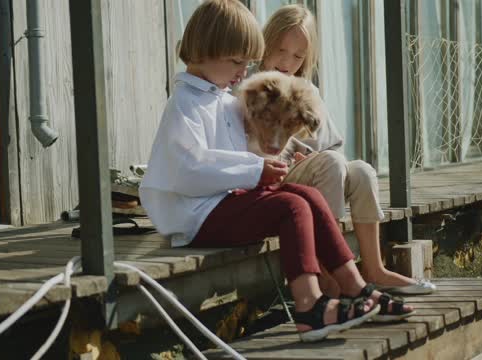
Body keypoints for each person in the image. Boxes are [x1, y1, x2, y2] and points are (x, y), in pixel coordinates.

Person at [139, 0, 413, 342]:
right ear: (206, 51)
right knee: (290, 207)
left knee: (307, 195)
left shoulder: (221, 98)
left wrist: (270, 161)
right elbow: (187, 169)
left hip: (224, 202)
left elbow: (241, 151)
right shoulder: (185, 102)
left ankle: (356, 288)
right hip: (195, 215)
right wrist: (255, 169)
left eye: (247, 63)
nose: (243, 72)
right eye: (237, 62)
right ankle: (310, 306)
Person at [258, 4, 435, 295]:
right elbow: (249, 150)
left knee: (362, 170)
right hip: (275, 178)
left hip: (314, 172)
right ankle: (330, 269)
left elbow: (332, 145)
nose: (287, 61)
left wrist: (313, 158)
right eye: (280, 50)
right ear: (266, 42)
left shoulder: (307, 91)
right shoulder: (253, 88)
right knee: (330, 163)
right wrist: (300, 159)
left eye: (298, 55)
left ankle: (375, 269)